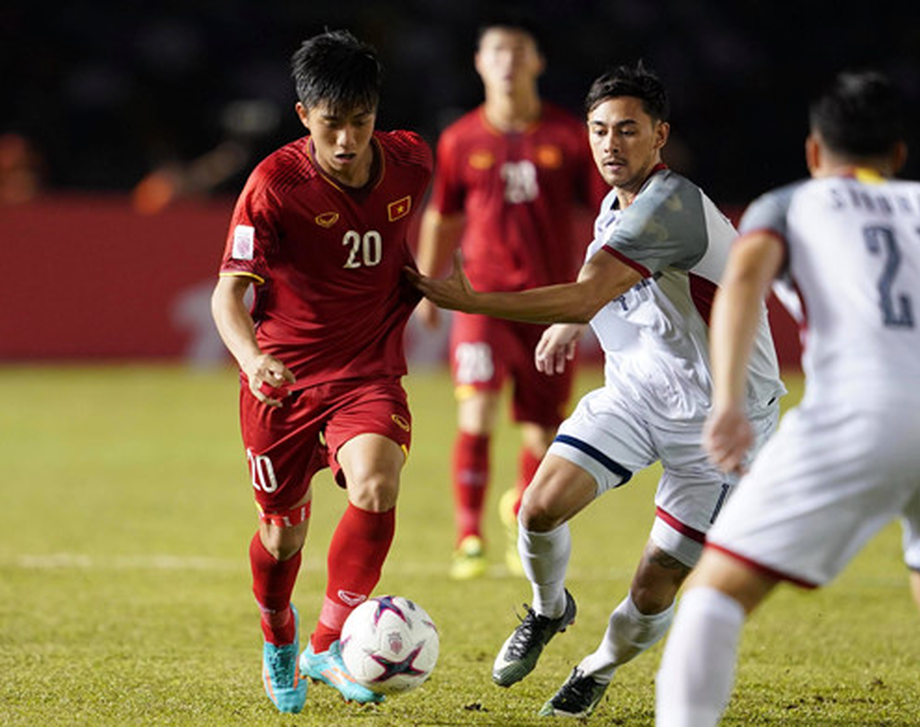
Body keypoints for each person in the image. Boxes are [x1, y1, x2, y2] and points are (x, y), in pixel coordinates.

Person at [407, 62, 785, 718]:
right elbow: (597, 281)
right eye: (600, 130)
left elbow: (589, 290)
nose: (611, 144)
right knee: (537, 507)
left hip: (721, 421)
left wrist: (479, 301)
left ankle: (597, 666)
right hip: (638, 395)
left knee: (656, 576)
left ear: (660, 136)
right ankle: (550, 608)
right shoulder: (618, 202)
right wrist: (566, 322)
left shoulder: (673, 205)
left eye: (629, 131)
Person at [654, 70, 920, 726]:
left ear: (813, 152)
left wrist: (726, 400)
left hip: (861, 411)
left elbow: (745, 277)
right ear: (897, 156)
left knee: (713, 598)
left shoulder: (792, 204)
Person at [210, 30, 432, 714]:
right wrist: (252, 359)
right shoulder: (274, 186)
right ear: (304, 115)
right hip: (282, 382)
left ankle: (329, 643)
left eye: (359, 123)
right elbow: (228, 294)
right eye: (331, 125)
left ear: (376, 113)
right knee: (283, 535)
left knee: (375, 480)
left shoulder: (410, 161)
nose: (346, 141)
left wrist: (422, 282)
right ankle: (280, 636)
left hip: (367, 372)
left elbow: (397, 235)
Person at [416, 12, 605, 580]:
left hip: (550, 303)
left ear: (538, 62)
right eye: (497, 51)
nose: (508, 61)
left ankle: (519, 510)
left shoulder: (569, 136)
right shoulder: (460, 139)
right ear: (480, 63)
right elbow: (442, 216)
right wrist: (429, 287)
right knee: (476, 411)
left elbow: (603, 212)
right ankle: (468, 536)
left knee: (543, 430)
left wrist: (594, 286)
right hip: (482, 301)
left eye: (519, 50)